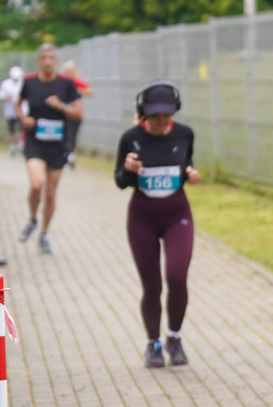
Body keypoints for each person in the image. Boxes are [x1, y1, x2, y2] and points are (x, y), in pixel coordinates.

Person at [114, 80, 200, 368]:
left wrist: (190, 173)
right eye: (155, 116)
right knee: (152, 286)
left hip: (177, 214)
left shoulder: (185, 134)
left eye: (167, 115)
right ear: (144, 114)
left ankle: (174, 337)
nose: (162, 121)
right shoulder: (131, 137)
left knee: (177, 276)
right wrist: (129, 170)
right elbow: (119, 181)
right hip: (143, 217)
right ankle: (153, 343)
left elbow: (185, 164)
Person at [16, 44, 83, 254]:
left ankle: (44, 233)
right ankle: (33, 219)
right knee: (37, 184)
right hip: (35, 141)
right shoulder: (29, 82)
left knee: (51, 194)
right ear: (38, 61)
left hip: (58, 145)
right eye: (43, 57)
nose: (47, 61)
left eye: (51, 58)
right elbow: (18, 104)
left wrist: (60, 106)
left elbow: (78, 113)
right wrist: (23, 118)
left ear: (57, 61)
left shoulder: (67, 84)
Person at [59, 60, 93, 169]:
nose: (69, 73)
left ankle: (70, 154)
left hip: (76, 114)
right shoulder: (61, 82)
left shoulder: (77, 82)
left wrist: (77, 90)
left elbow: (89, 92)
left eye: (71, 71)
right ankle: (65, 154)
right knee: (64, 135)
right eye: (67, 71)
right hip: (63, 114)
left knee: (73, 135)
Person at [0, 66, 24, 157]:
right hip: (10, 111)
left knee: (21, 129)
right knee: (11, 130)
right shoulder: (6, 84)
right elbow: (0, 96)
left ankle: (21, 145)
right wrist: (6, 97)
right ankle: (12, 147)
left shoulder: (23, 83)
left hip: (21, 111)